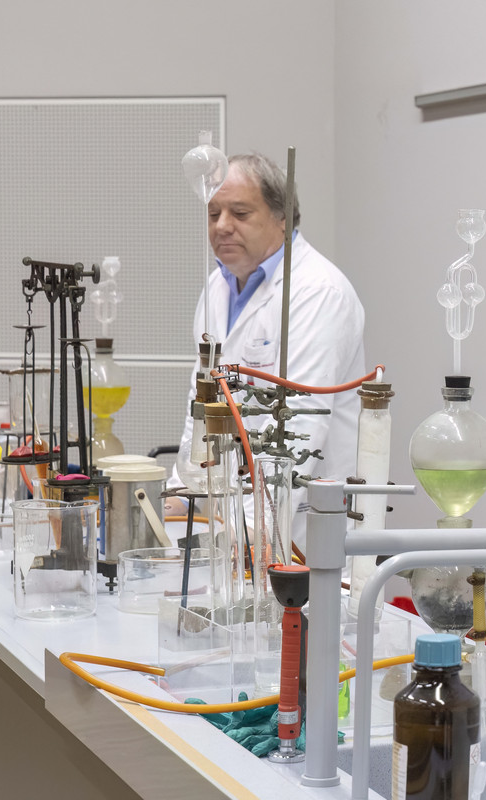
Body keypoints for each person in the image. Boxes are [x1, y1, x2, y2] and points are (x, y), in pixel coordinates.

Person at [166, 152, 367, 550]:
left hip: (303, 530)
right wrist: (180, 496)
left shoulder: (317, 292)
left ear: (282, 218)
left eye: (240, 213)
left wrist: (248, 532)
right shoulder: (217, 288)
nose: (222, 226)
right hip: (232, 531)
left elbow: (299, 425)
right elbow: (201, 406)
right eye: (213, 214)